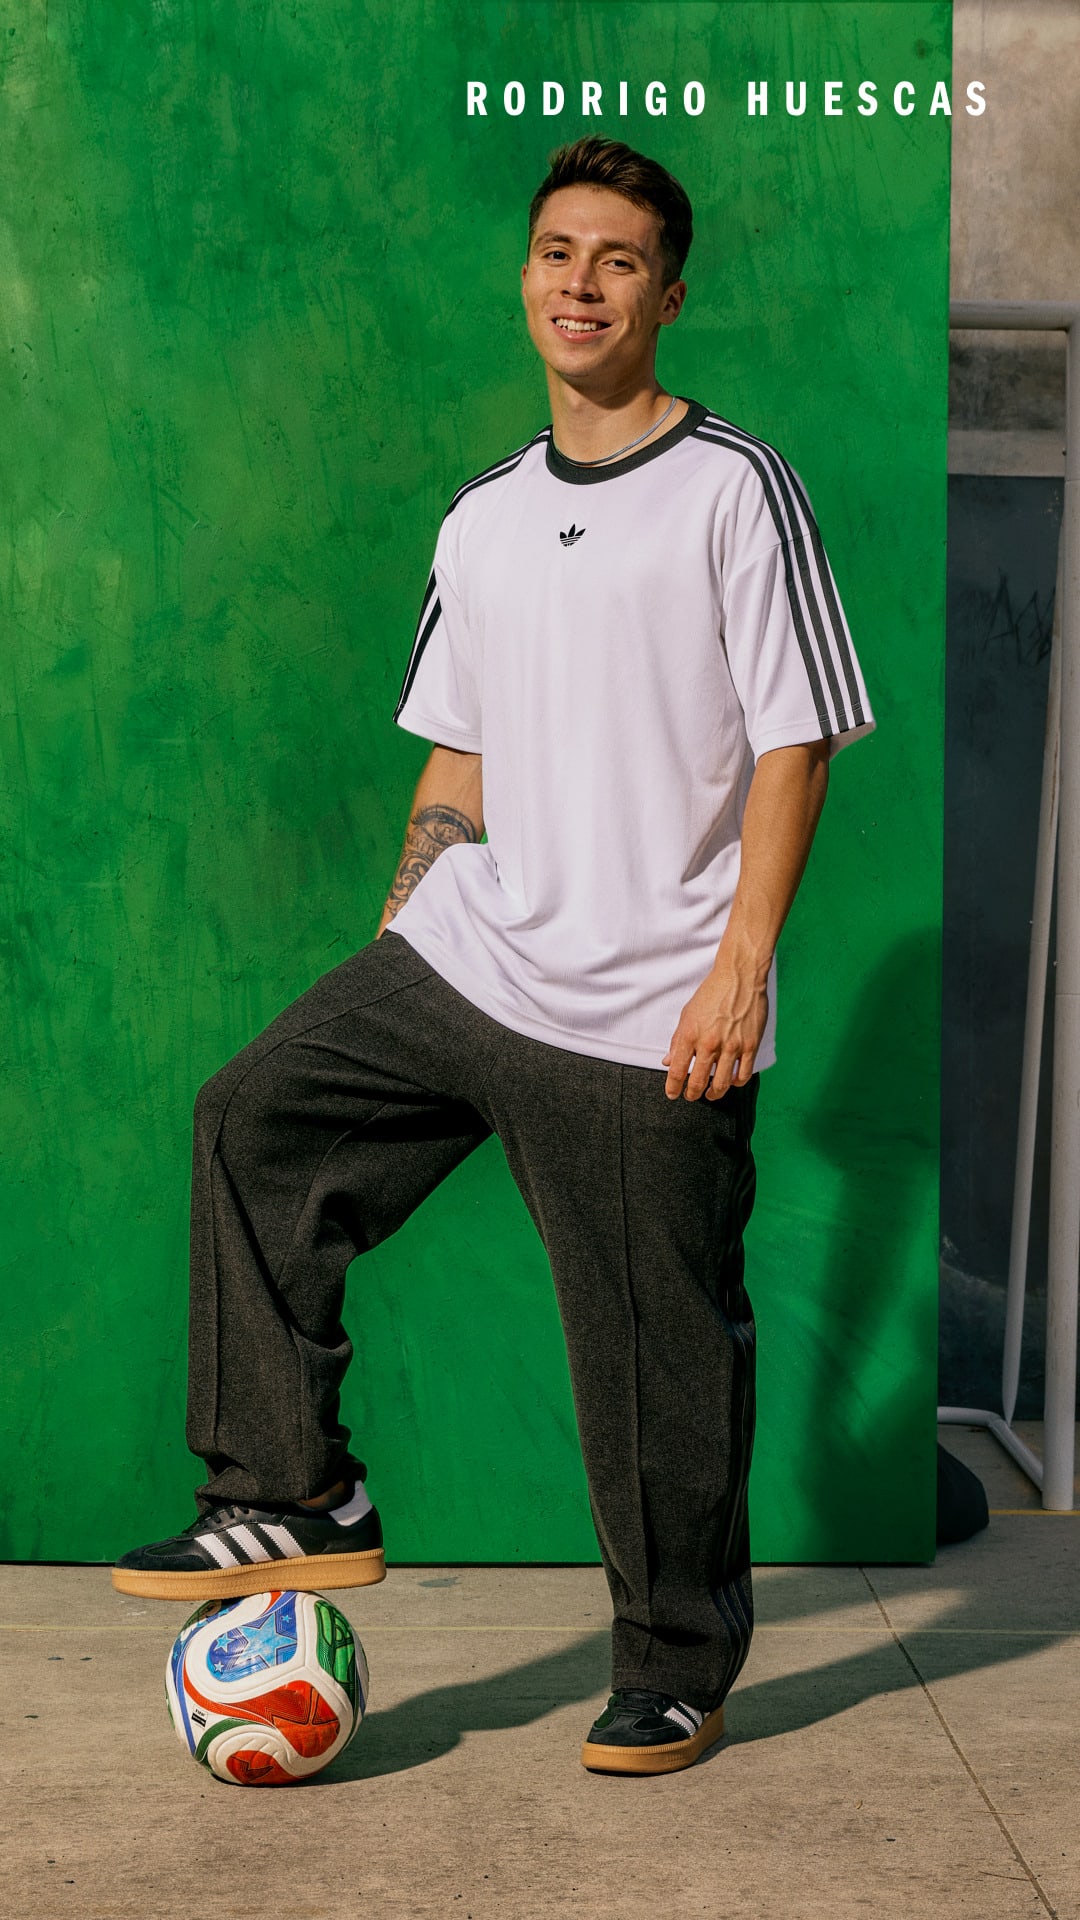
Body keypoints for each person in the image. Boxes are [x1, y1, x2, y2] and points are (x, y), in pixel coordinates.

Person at [114, 136, 874, 1776]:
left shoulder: (734, 487)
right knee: (252, 1123)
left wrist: (741, 968)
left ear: (668, 293)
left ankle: (674, 1664)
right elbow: (455, 757)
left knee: (654, 1347)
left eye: (615, 258)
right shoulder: (488, 518)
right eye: (554, 252)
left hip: (650, 1000)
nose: (579, 282)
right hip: (474, 956)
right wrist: (401, 934)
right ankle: (289, 1490)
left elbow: (797, 743)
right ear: (524, 281)